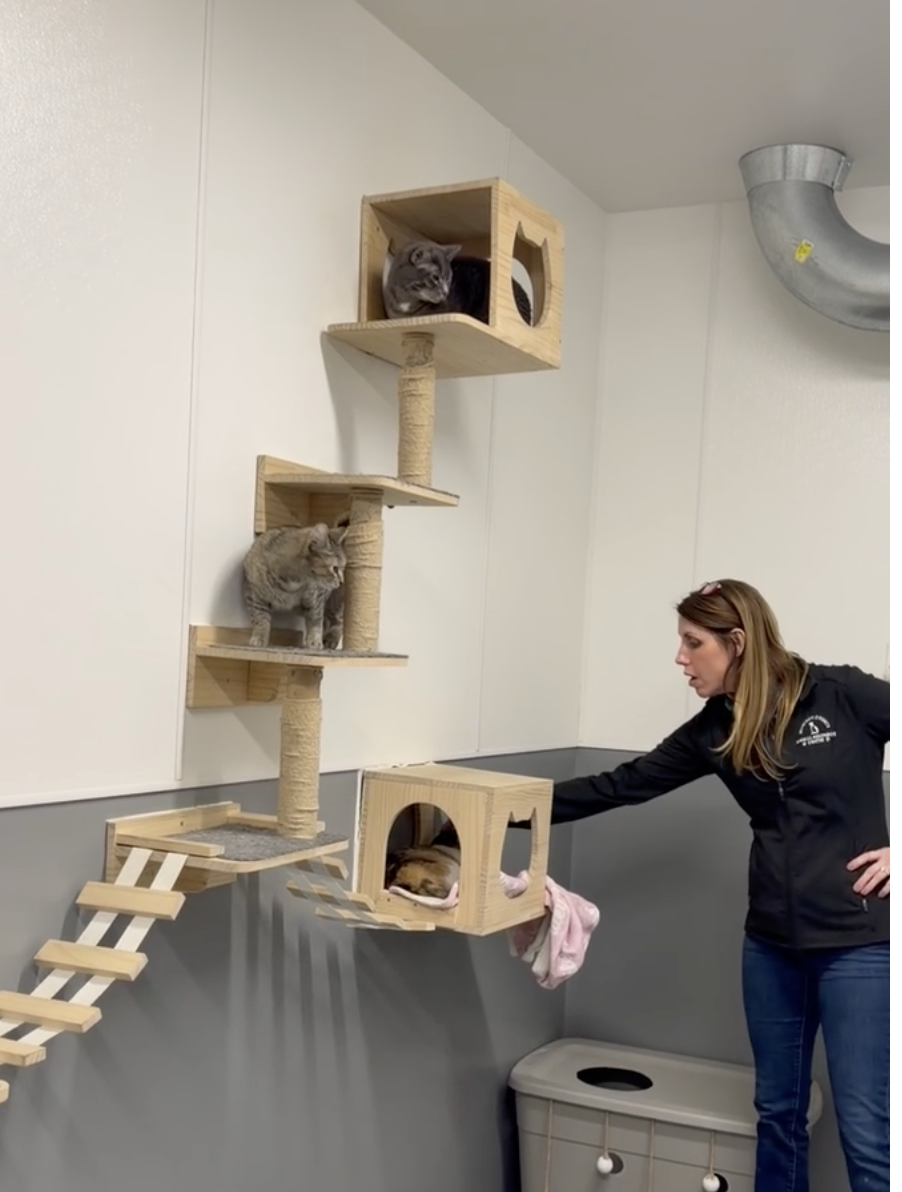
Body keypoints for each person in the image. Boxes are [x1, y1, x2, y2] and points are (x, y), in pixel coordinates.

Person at [549, 579, 889, 1192]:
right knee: (777, 1116)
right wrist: (488, 814)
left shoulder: (842, 695)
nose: (680, 658)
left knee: (868, 1134)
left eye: (692, 642)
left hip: (857, 945)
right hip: (772, 945)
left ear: (737, 642)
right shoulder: (715, 730)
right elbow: (617, 785)